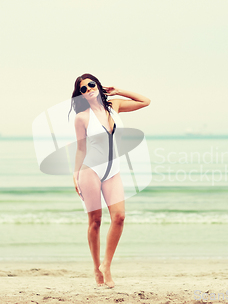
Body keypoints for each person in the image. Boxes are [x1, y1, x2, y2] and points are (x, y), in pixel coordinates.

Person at [69, 73, 150, 288]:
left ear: (98, 85)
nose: (88, 90)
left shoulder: (114, 106)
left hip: (113, 170)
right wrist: (75, 174)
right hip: (90, 171)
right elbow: (80, 149)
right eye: (83, 89)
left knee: (120, 217)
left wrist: (118, 90)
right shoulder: (82, 117)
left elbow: (145, 101)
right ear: (81, 95)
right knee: (95, 221)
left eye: (91, 85)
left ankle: (107, 265)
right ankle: (96, 269)